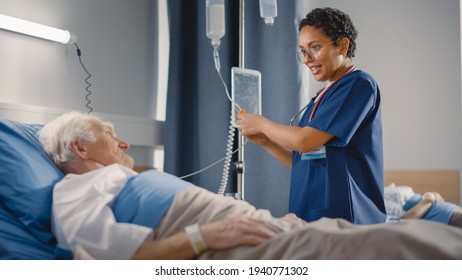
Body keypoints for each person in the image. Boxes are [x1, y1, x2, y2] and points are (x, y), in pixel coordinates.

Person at [38, 112, 462, 260]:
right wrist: (204, 237)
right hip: (225, 240)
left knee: (385, 236)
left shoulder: (116, 178)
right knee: (389, 249)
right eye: (109, 133)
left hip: (256, 227)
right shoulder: (73, 191)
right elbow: (100, 261)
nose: (124, 142)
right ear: (79, 146)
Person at [236, 7, 385, 224]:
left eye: (315, 48)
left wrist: (262, 123)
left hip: (344, 217)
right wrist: (266, 142)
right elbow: (305, 162)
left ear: (342, 46)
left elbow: (304, 142)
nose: (307, 59)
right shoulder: (322, 98)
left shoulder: (358, 85)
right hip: (310, 214)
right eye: (303, 51)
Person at [384, 184, 462, 227]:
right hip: (421, 211)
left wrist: (430, 197)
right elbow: (401, 223)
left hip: (422, 203)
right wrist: (428, 199)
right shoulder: (377, 208)